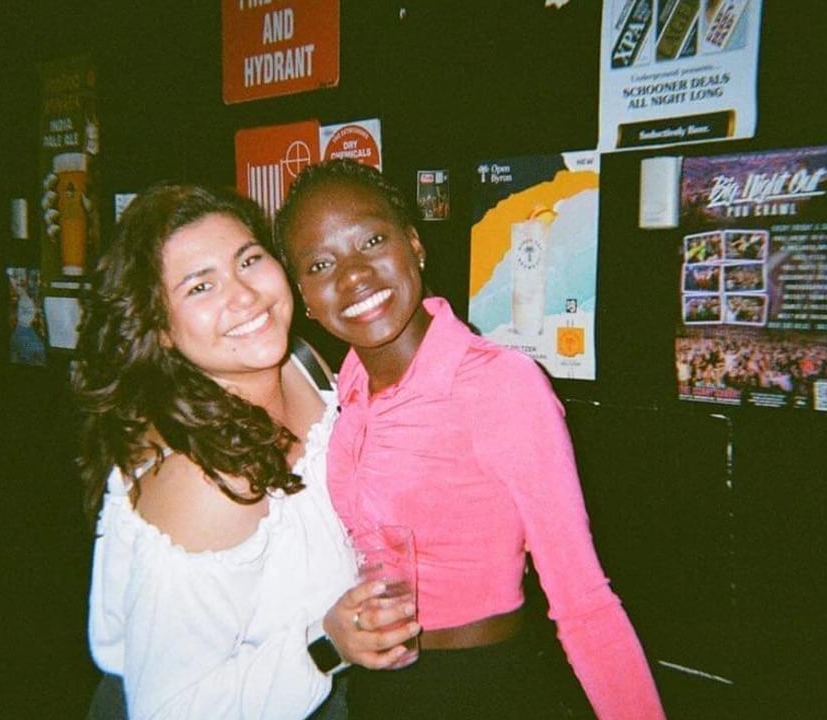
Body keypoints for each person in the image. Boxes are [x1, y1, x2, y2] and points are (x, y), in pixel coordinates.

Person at [275, 159, 666, 720]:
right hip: (376, 688)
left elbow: (584, 602)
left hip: (480, 689)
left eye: (373, 240)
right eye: (320, 263)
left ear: (414, 245)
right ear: (305, 298)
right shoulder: (347, 389)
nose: (354, 274)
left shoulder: (498, 383)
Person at [74, 183, 420, 720]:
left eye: (249, 260)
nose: (244, 296)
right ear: (160, 328)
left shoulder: (300, 361)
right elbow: (168, 709)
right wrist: (326, 645)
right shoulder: (206, 481)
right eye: (200, 286)